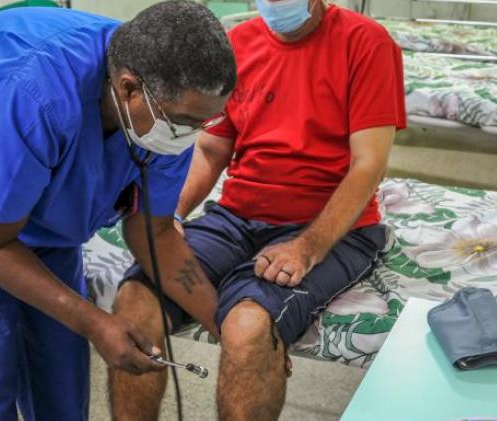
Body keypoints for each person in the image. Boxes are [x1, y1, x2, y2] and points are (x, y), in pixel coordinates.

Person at [0, 1, 235, 420]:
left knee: (61, 381)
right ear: (128, 89)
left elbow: (155, 233)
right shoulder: (31, 93)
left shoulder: (167, 114)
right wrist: (94, 322)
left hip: (32, 192)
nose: (191, 135)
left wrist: (224, 325)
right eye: (186, 121)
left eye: (204, 123)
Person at [110, 0, 406, 419]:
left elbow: (369, 165)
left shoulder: (366, 43)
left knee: (248, 327)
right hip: (236, 216)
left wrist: (305, 248)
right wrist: (171, 216)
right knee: (136, 302)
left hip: (331, 228)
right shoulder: (236, 46)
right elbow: (211, 150)